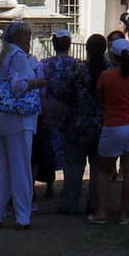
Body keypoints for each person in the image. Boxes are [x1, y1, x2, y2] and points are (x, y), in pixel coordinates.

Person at [90, 38, 129, 225]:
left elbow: (99, 98)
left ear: (112, 55)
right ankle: (123, 213)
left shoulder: (106, 76)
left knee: (104, 169)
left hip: (114, 124)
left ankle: (101, 211)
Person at [0, 20, 44, 229]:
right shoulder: (19, 57)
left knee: (3, 168)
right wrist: (37, 82)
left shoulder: (1, 57)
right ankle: (23, 215)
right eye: (27, 37)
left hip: (1, 115)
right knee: (21, 168)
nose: (29, 41)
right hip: (19, 118)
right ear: (20, 38)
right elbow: (19, 86)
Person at [54, 33, 109, 215]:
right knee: (98, 167)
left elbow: (62, 95)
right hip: (102, 125)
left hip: (77, 124)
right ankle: (94, 203)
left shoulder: (78, 70)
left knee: (73, 166)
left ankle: (70, 202)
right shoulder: (109, 71)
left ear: (87, 49)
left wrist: (60, 118)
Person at [41, 30, 92, 215]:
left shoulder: (45, 64)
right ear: (69, 44)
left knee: (50, 147)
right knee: (67, 150)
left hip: (50, 108)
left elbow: (42, 88)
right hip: (69, 110)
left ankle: (49, 184)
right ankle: (65, 187)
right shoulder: (76, 65)